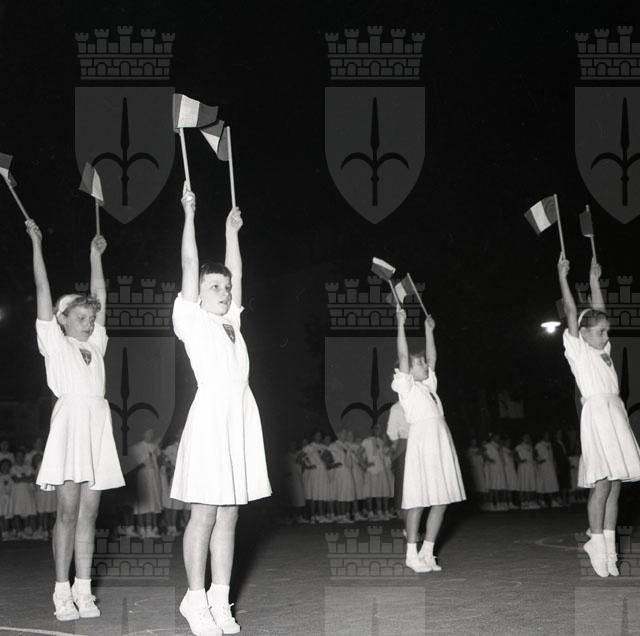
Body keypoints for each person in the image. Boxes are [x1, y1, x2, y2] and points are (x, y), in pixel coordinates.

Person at [171, 186, 271, 635]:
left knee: (230, 513)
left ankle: (219, 598)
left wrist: (232, 233)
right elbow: (189, 263)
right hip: (211, 415)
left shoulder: (232, 320)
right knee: (206, 512)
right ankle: (194, 600)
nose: (225, 291)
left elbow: (238, 272)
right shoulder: (191, 319)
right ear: (197, 294)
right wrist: (189, 214)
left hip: (240, 416)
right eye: (215, 287)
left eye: (226, 288)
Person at [26, 218, 124, 620]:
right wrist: (36, 243)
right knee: (66, 512)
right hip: (70, 421)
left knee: (89, 514)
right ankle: (61, 591)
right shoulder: (54, 341)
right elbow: (42, 289)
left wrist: (95, 256)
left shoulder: (96, 344)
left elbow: (100, 294)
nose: (88, 321)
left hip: (97, 424)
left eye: (90, 317)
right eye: (80, 316)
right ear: (62, 318)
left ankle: (84, 590)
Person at [558, 254, 640, 577]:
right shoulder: (578, 351)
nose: (607, 336)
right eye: (601, 332)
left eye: (607, 331)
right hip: (596, 415)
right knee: (603, 484)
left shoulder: (603, 351)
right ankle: (595, 540)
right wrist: (563, 277)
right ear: (583, 334)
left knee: (616, 484)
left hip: (615, 413)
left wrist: (594, 281)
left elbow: (599, 311)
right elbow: (571, 311)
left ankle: (608, 549)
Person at [392, 309, 466, 572]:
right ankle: (411, 555)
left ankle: (427, 552)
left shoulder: (429, 386)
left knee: (441, 499)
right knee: (419, 499)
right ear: (409, 371)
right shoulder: (407, 388)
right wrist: (401, 324)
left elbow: (433, 357)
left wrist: (428, 330)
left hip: (440, 440)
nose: (425, 365)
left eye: (424, 362)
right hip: (423, 442)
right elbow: (403, 356)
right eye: (420, 363)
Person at [130, 427, 163, 538]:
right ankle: (142, 530)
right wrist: (142, 464)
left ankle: (150, 529)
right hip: (142, 477)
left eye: (151, 433)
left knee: (152, 503)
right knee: (142, 504)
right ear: (143, 434)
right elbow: (133, 464)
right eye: (148, 433)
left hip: (153, 477)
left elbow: (159, 460)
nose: (150, 435)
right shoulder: (136, 447)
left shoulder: (154, 446)